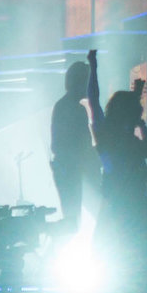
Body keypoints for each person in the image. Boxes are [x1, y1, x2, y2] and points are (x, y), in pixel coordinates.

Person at [95, 77, 147, 280]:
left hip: (137, 204)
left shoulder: (118, 135)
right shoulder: (114, 138)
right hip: (128, 206)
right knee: (132, 254)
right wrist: (137, 120)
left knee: (142, 254)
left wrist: (137, 119)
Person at [50, 55, 99, 230]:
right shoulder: (70, 107)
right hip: (72, 170)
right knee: (75, 219)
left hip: (71, 170)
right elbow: (61, 144)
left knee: (74, 219)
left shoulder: (68, 106)